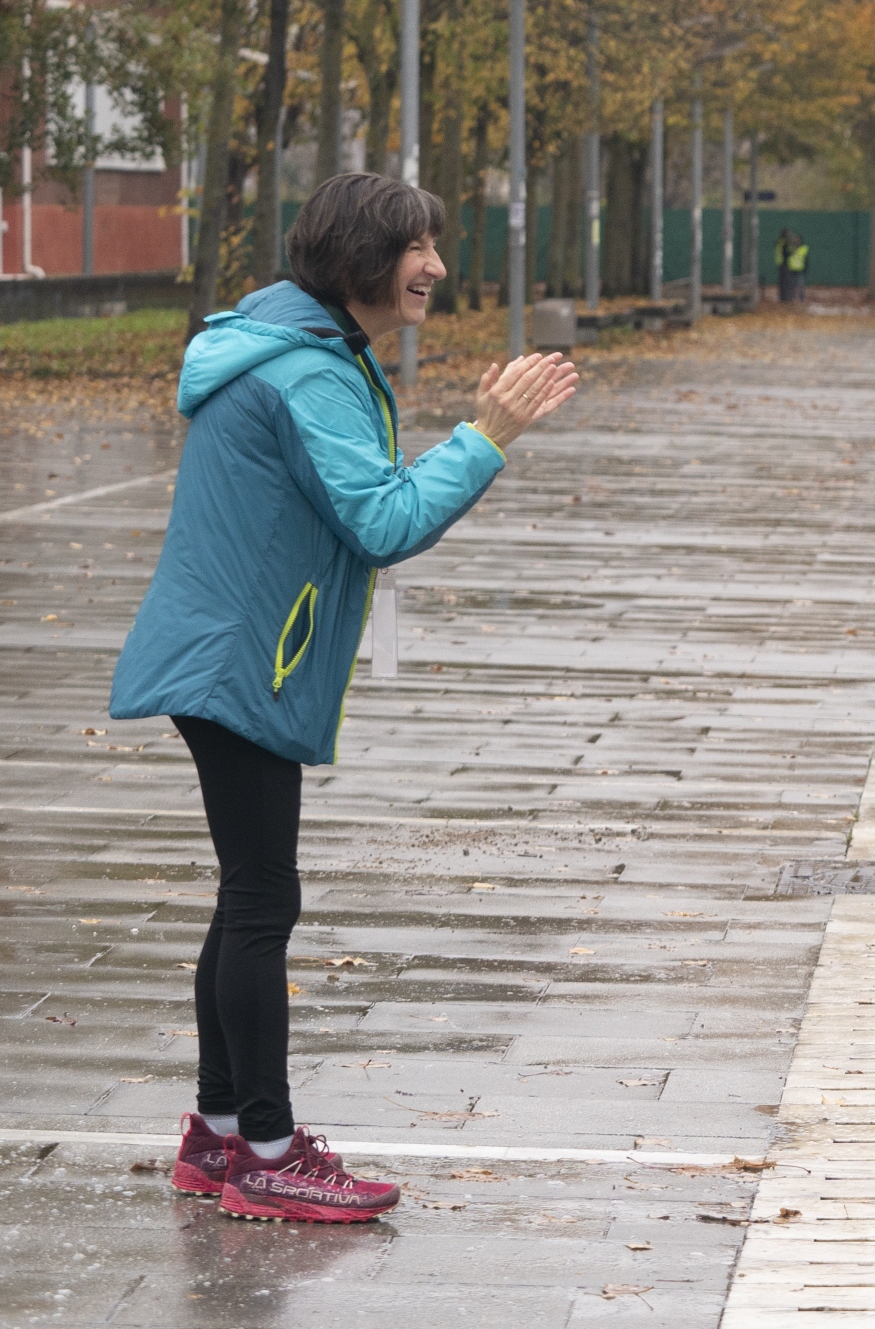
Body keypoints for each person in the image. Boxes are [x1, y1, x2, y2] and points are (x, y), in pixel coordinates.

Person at [108, 172, 579, 1220]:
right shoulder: (305, 373)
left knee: (246, 894)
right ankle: (268, 1154)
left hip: (230, 653)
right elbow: (382, 521)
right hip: (240, 661)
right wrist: (486, 434)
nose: (437, 267)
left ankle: (219, 1135)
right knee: (262, 901)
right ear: (363, 257)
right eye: (418, 248)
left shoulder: (302, 350)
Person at [776, 227, 809, 303]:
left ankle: (801, 298)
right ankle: (791, 297)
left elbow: (806, 260)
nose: (796, 241)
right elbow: (787, 255)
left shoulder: (803, 248)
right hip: (791, 269)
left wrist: (805, 269)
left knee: (800, 285)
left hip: (799, 270)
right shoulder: (789, 247)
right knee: (791, 285)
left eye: (797, 239)